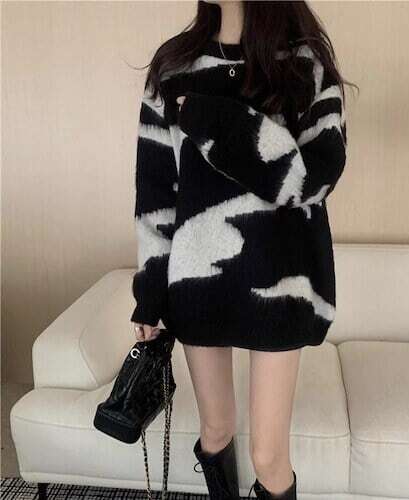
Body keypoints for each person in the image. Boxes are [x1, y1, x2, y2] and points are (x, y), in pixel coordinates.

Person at [131, 1, 354, 498]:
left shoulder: (305, 67)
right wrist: (149, 294)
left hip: (282, 281)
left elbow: (312, 179)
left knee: (268, 455)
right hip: (198, 280)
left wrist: (215, 120)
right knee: (215, 431)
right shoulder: (173, 67)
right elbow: (156, 196)